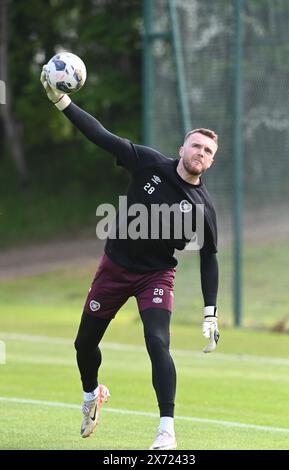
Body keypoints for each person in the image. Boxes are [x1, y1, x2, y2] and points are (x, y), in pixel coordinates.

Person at [40, 67, 220, 450]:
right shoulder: (148, 162)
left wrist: (210, 312)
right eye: (196, 146)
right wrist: (62, 102)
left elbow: (209, 258)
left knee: (157, 342)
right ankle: (91, 395)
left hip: (156, 275)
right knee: (83, 345)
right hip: (115, 267)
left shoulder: (203, 207)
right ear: (182, 148)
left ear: (211, 161)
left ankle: (166, 431)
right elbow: (101, 136)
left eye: (207, 151)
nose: (200, 153)